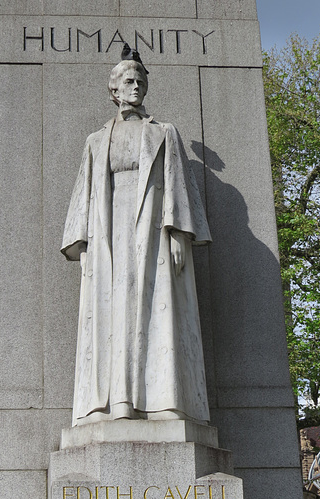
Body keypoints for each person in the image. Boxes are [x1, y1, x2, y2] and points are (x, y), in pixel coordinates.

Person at [61, 55, 211, 427]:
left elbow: (178, 182)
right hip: (109, 232)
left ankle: (163, 400)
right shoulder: (96, 140)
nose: (136, 85)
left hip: (154, 230)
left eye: (140, 80)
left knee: (157, 309)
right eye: (128, 80)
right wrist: (82, 244)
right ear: (113, 90)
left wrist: (179, 233)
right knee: (113, 315)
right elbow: (85, 193)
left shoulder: (164, 133)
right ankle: (116, 403)